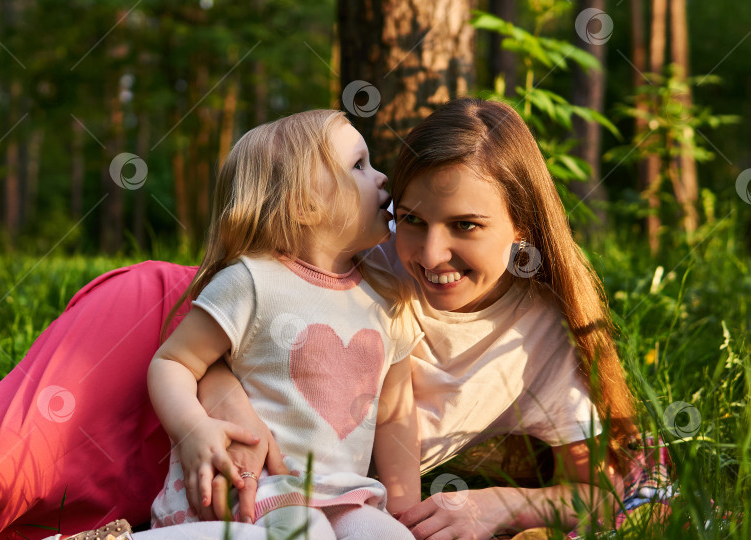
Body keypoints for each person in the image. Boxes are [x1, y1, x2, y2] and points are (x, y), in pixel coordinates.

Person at [195, 98, 640, 539]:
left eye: (466, 225)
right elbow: (210, 332)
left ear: (522, 223)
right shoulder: (364, 252)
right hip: (256, 482)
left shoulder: (540, 336)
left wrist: (497, 505)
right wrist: (232, 412)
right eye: (411, 219)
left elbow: (603, 494)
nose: (430, 255)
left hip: (347, 509)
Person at [146, 109, 422, 539]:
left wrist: (407, 512)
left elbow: (396, 417)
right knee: (305, 532)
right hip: (256, 492)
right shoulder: (251, 281)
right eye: (359, 165)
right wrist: (193, 429)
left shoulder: (388, 301)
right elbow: (173, 362)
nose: (382, 177)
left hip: (344, 494)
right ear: (305, 203)